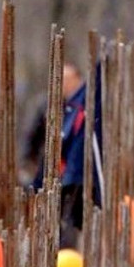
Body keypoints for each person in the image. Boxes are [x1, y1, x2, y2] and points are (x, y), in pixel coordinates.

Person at [21, 61, 93, 250]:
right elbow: (32, 140)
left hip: (77, 176)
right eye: (62, 80)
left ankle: (68, 255)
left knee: (72, 222)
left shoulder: (87, 108)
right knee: (49, 219)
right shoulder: (46, 107)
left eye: (70, 79)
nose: (66, 84)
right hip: (50, 175)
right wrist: (28, 165)